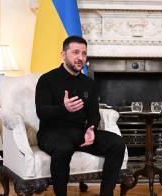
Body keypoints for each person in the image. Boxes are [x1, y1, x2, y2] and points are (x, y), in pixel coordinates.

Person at [35, 36, 125, 196]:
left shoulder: (89, 83)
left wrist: (91, 128)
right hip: (51, 133)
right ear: (63, 55)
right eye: (75, 52)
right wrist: (63, 108)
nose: (80, 58)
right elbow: (41, 112)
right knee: (63, 148)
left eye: (84, 53)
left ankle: (106, 193)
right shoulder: (47, 80)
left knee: (117, 143)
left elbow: (93, 114)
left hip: (79, 133)